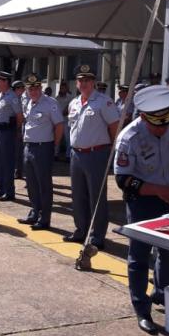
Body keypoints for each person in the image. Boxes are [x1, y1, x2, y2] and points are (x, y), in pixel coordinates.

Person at [114, 85, 169, 335]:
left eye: (166, 123)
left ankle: (162, 293)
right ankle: (142, 309)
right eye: (157, 125)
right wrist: (158, 190)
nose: (162, 129)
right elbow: (123, 179)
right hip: (143, 202)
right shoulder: (129, 137)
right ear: (143, 117)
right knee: (139, 256)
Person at [65, 64, 120, 249]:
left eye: (87, 80)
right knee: (78, 195)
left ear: (93, 82)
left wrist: (112, 152)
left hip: (97, 153)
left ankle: (97, 236)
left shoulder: (104, 102)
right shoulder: (74, 103)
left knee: (96, 197)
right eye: (80, 80)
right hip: (77, 154)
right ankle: (81, 230)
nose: (83, 83)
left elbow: (115, 127)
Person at [17, 74, 63, 230]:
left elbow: (59, 126)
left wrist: (53, 146)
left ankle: (45, 218)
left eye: (36, 88)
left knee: (44, 184)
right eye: (31, 89)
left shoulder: (50, 103)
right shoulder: (29, 103)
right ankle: (34, 212)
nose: (34, 91)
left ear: (40, 88)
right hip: (29, 147)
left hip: (43, 147)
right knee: (31, 183)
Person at [0, 72, 24, 201]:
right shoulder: (0, 96)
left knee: (7, 162)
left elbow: (19, 116)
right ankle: (0, 188)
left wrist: (17, 131)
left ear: (6, 82)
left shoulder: (12, 97)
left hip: (7, 132)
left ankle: (9, 191)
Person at [13, 80, 27, 180]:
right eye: (20, 88)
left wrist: (19, 130)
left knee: (20, 151)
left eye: (22, 88)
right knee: (16, 151)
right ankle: (17, 171)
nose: (21, 90)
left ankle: (19, 172)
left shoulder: (25, 99)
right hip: (13, 127)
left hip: (22, 127)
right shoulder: (14, 98)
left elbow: (22, 116)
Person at [55, 81, 73, 161]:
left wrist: (67, 110)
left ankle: (68, 156)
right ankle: (55, 154)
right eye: (61, 88)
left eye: (64, 88)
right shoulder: (56, 98)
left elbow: (71, 109)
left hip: (66, 121)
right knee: (57, 138)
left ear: (67, 89)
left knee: (68, 139)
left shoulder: (70, 98)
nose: (62, 89)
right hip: (58, 121)